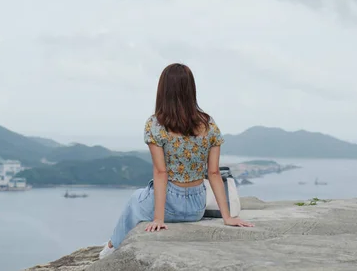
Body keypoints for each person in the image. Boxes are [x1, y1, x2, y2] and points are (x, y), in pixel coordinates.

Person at [99, 63, 254, 259]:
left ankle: (111, 247)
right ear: (191, 89)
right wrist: (228, 217)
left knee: (135, 198)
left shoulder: (156, 124)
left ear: (163, 90)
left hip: (170, 203)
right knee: (140, 197)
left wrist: (158, 218)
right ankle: (112, 243)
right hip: (197, 206)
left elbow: (161, 173)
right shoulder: (208, 123)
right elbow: (213, 173)